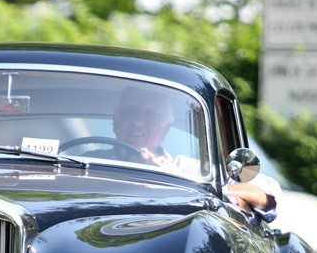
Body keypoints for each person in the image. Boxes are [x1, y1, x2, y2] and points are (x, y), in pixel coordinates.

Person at [112, 86, 280, 224]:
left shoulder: (188, 171)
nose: (138, 121)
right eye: (130, 110)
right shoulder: (88, 163)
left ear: (165, 130)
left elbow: (267, 196)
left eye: (150, 113)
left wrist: (200, 188)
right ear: (116, 122)